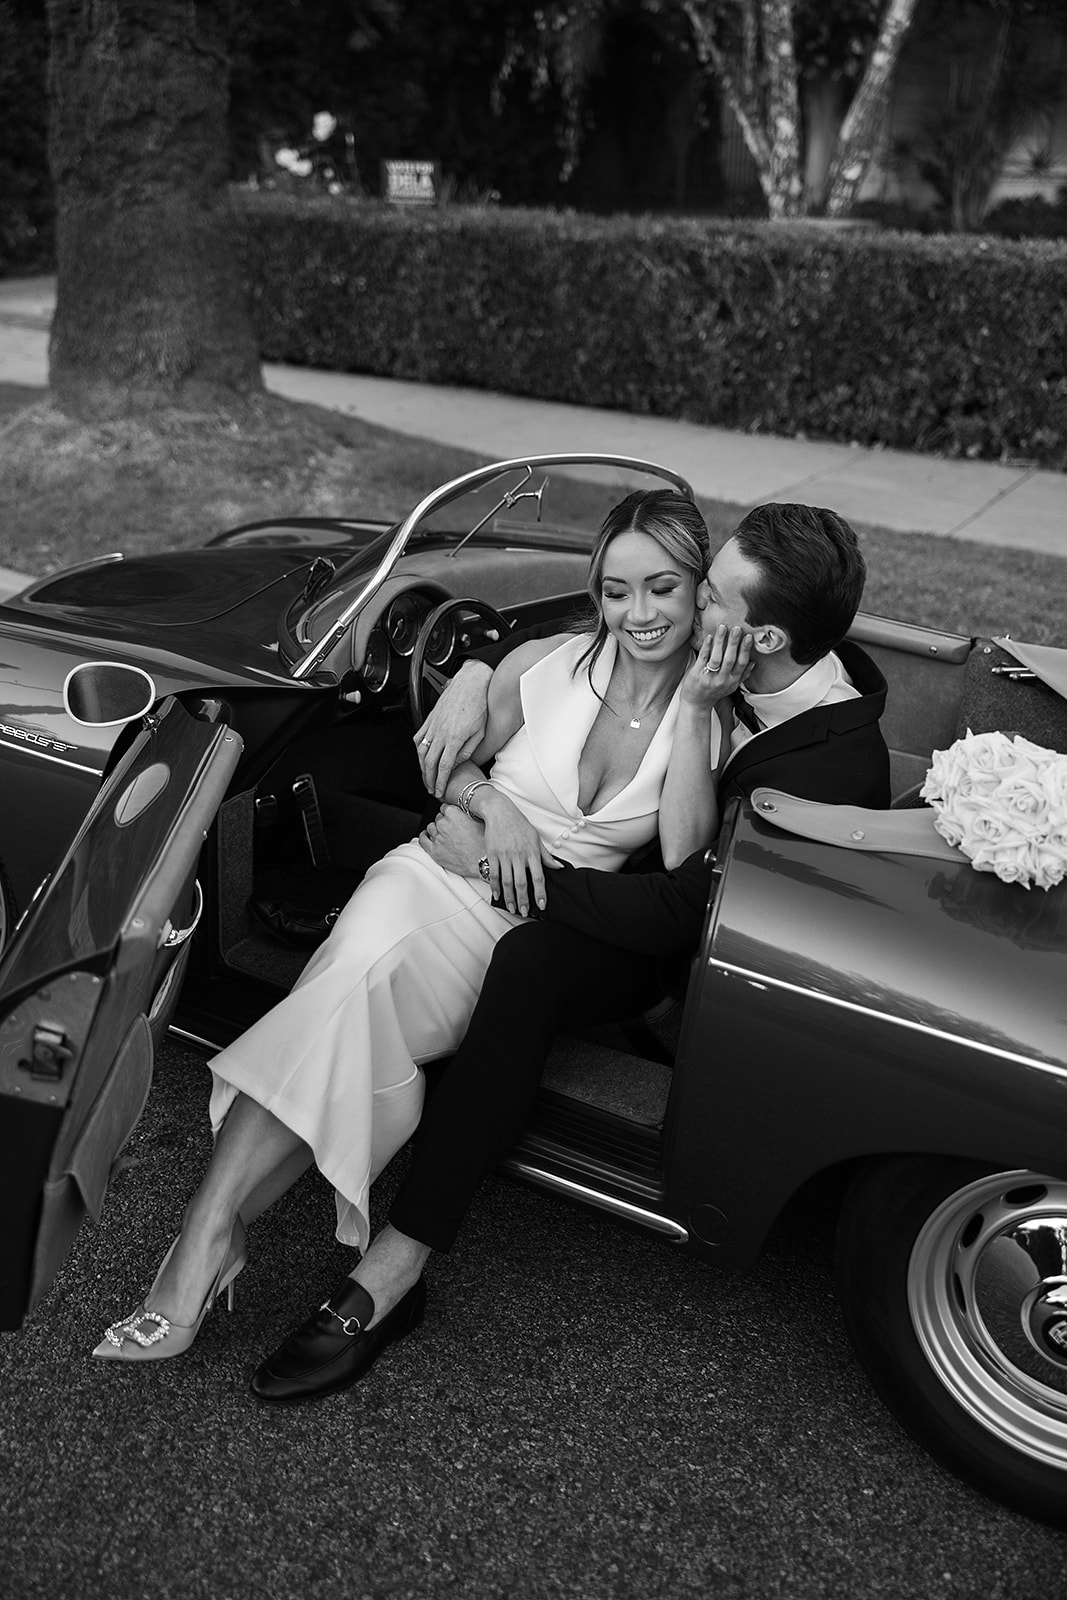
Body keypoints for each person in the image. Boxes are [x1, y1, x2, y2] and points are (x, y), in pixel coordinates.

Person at [93, 489, 752, 1390]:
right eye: (615, 591)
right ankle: (207, 1234)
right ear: (594, 593)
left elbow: (680, 854)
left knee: (347, 1000)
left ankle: (206, 1244)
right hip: (434, 870)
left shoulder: (709, 716)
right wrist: (495, 810)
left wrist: (687, 710)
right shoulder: (546, 664)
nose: (638, 614)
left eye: (663, 590)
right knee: (356, 970)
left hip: (532, 919)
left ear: (696, 590)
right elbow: (443, 763)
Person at [243, 502, 891, 1406]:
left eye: (704, 596)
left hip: (683, 950)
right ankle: (383, 1249)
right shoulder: (752, 648)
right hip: (620, 889)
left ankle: (393, 1266)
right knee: (518, 960)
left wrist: (506, 870)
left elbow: (679, 912)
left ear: (764, 636)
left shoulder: (826, 761)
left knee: (529, 961)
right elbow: (616, 598)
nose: (680, 608)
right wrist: (477, 668)